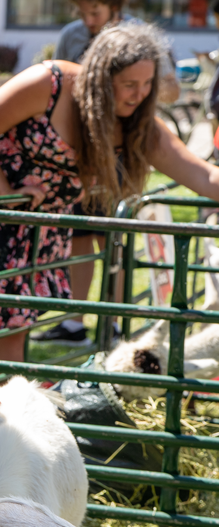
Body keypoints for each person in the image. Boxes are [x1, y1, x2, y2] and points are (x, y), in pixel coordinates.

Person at [0, 23, 219, 441]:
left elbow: (205, 177)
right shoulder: (53, 84)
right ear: (101, 77)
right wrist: (7, 194)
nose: (138, 94)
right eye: (128, 84)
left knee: (15, 317)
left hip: (39, 220)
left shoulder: (136, 128)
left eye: (147, 84)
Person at [34, 0, 179, 345]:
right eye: (81, 12)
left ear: (114, 8)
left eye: (94, 12)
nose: (87, 20)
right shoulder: (72, 36)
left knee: (114, 237)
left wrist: (138, 89)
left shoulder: (139, 40)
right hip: (81, 154)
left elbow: (171, 90)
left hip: (119, 153)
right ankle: (74, 322)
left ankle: (113, 322)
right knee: (79, 239)